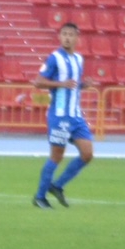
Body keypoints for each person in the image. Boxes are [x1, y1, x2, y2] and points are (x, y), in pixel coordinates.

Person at [32, 22, 92, 208]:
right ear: (59, 37)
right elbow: (38, 82)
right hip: (60, 116)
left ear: (77, 38)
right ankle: (40, 197)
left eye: (71, 34)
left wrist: (82, 85)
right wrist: (61, 84)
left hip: (76, 116)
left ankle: (57, 186)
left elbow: (72, 85)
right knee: (56, 156)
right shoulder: (54, 58)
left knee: (87, 154)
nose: (67, 37)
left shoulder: (79, 59)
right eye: (64, 34)